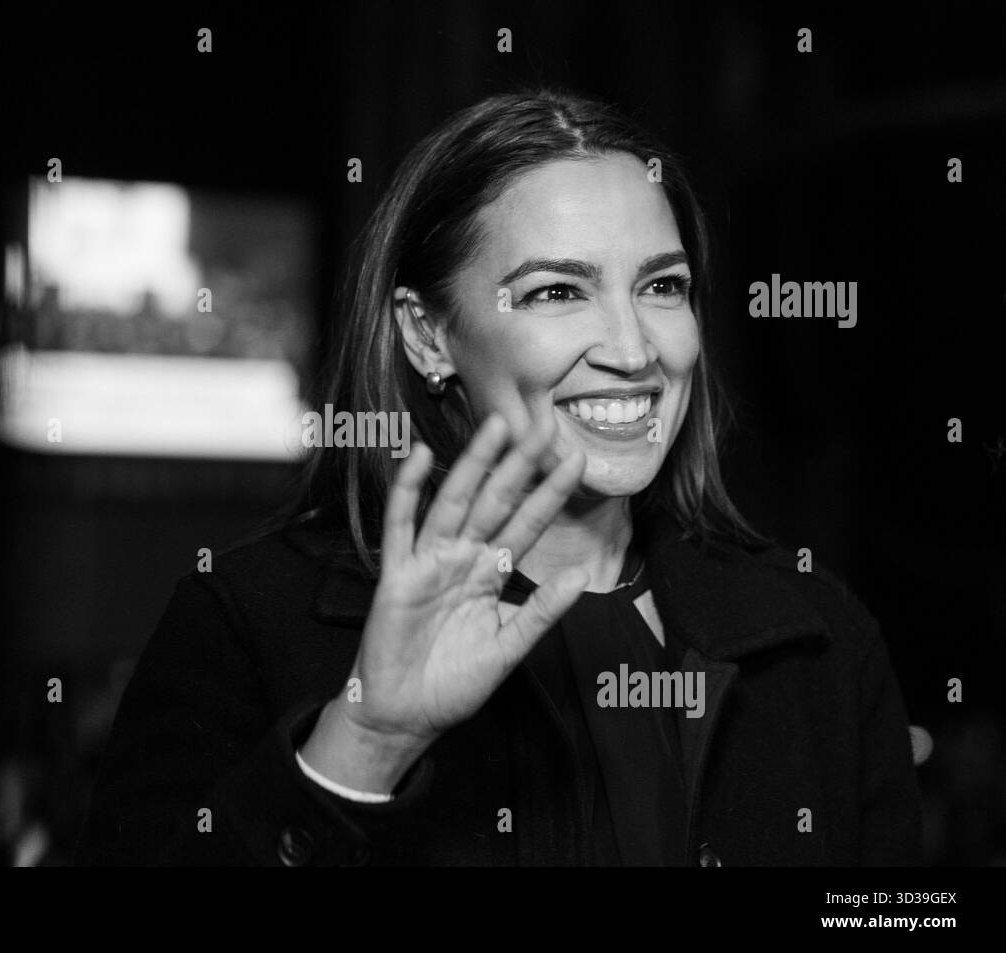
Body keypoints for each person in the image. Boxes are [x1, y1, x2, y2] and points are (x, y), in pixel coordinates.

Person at [74, 88, 922, 866]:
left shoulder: (818, 637)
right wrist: (366, 742)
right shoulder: (247, 620)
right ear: (427, 336)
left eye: (663, 286)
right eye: (557, 292)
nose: (633, 352)